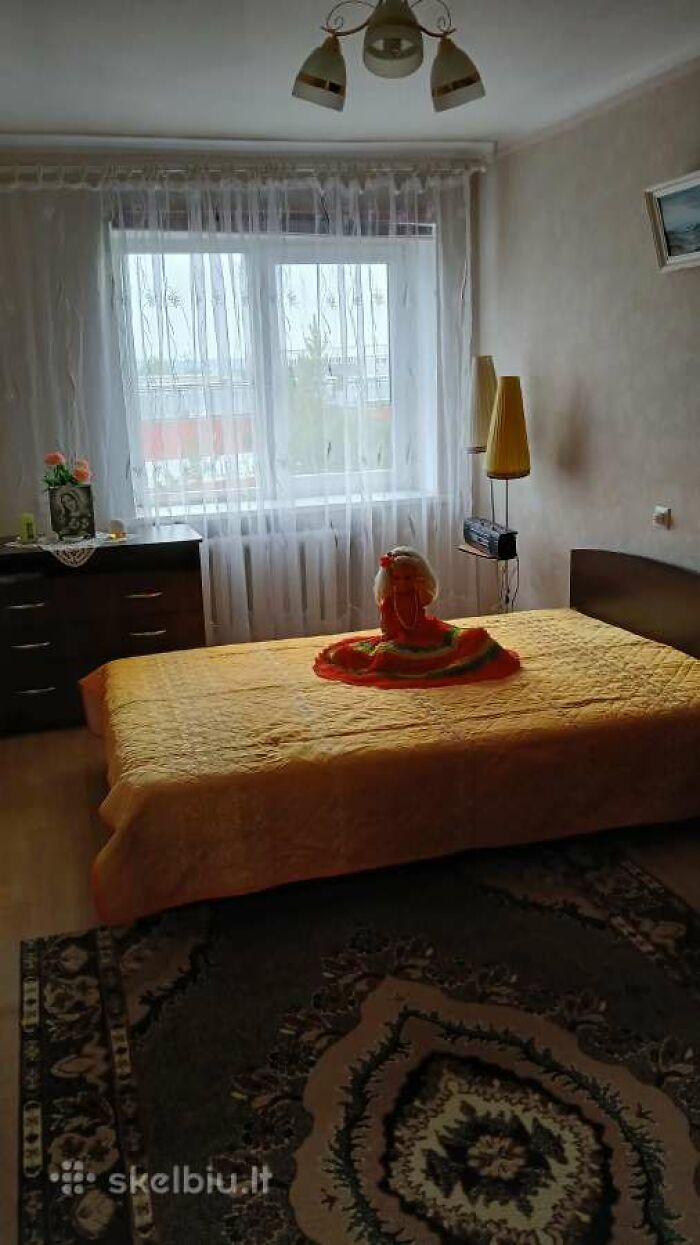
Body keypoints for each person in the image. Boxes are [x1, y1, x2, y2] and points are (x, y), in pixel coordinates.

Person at [314, 546, 521, 688]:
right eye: (398, 578)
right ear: (390, 579)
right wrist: (391, 638)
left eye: (409, 578)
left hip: (427, 633)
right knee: (387, 657)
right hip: (398, 638)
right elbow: (386, 626)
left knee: (472, 640)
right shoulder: (390, 600)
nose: (403, 583)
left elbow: (426, 599)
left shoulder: (416, 595)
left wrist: (421, 586)